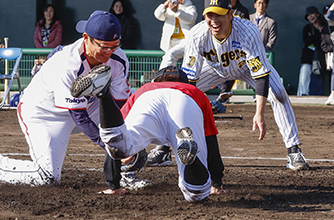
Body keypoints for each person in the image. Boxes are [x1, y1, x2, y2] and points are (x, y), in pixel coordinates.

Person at [0, 10, 148, 195]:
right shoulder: (69, 63)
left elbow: (121, 106)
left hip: (88, 106)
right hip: (44, 113)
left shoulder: (118, 59)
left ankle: (125, 175)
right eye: (104, 46)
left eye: (114, 46)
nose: (109, 52)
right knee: (47, 177)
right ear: (86, 38)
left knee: (125, 131)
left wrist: (126, 143)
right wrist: (112, 146)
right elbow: (79, 117)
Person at [181, 0, 309, 171]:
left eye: (219, 14)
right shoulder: (197, 34)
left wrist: (260, 113)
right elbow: (190, 82)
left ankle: (293, 150)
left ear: (230, 14)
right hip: (214, 69)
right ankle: (163, 147)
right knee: (179, 92)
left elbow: (261, 74)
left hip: (245, 67)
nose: (214, 20)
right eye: (210, 15)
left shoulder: (248, 31)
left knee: (279, 94)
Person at [70, 65, 225, 201]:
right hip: (185, 99)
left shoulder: (144, 89)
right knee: (197, 193)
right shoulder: (195, 90)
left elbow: (117, 131)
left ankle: (104, 93)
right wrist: (216, 182)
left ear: (156, 80)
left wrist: (113, 185)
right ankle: (190, 159)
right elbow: (210, 139)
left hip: (148, 99)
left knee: (120, 142)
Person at [154, 0, 198, 67]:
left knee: (172, 56)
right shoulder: (167, 8)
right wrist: (164, 6)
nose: (176, 1)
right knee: (168, 59)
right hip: (170, 41)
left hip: (184, 40)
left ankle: (162, 77)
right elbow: (158, 16)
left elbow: (191, 19)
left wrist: (177, 11)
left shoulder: (189, 7)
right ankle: (166, 77)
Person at [297, 6, 330, 96]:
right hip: (307, 57)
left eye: (312, 14)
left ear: (318, 14)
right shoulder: (307, 28)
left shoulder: (325, 27)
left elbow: (325, 41)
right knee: (304, 78)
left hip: (320, 58)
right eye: (308, 15)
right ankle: (301, 98)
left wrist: (315, 37)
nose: (310, 17)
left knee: (319, 78)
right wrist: (318, 35)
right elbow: (307, 41)